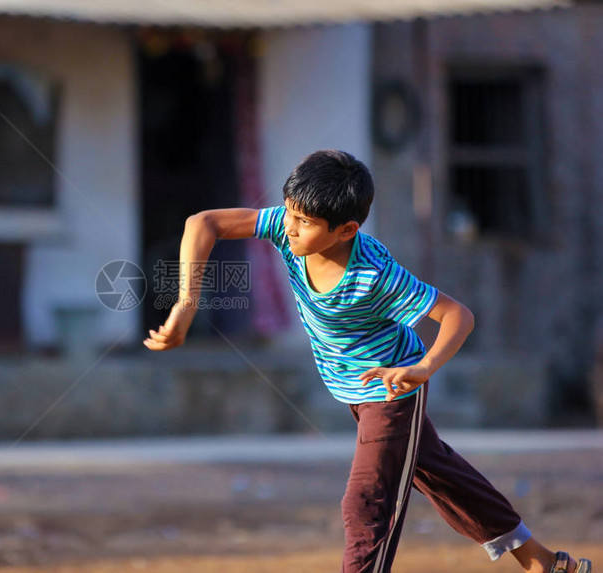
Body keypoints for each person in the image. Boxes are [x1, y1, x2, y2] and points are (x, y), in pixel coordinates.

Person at [142, 149, 592, 573]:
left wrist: (424, 367)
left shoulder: (374, 275)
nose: (291, 227)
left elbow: (458, 315)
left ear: (346, 230)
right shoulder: (286, 227)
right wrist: (186, 305)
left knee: (366, 501)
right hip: (349, 386)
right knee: (441, 474)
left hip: (391, 388)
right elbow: (202, 223)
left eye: (304, 221)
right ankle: (541, 560)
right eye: (289, 212)